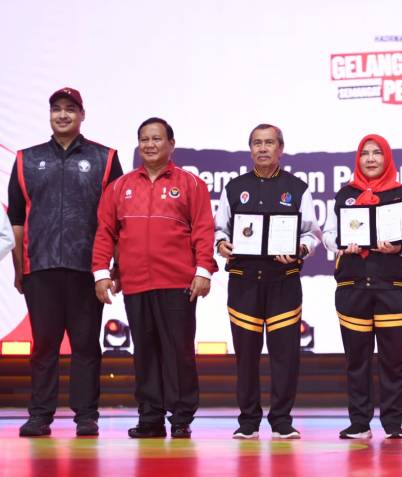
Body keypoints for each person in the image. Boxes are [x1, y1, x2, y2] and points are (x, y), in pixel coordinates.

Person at [7, 87, 122, 437]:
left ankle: (86, 415)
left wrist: (113, 267)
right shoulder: (27, 160)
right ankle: (40, 415)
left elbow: (117, 219)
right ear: (49, 115)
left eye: (70, 109)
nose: (62, 115)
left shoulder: (105, 158)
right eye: (56, 109)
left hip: (87, 269)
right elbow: (16, 221)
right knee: (44, 346)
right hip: (40, 267)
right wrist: (19, 268)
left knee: (86, 344)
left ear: (82, 115)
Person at [92, 117, 217, 439]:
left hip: (178, 283)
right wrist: (101, 273)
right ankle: (150, 418)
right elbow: (105, 232)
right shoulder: (120, 186)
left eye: (156, 138)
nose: (150, 145)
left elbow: (204, 230)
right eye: (144, 139)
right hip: (135, 283)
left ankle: (181, 418)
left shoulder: (191, 184)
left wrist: (204, 271)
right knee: (145, 353)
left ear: (171, 144)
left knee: (178, 353)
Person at [215, 124, 321, 440]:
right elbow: (220, 229)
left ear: (280, 149)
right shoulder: (234, 188)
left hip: (283, 282)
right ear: (250, 149)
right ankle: (248, 421)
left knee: (285, 357)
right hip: (243, 283)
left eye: (269, 143)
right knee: (245, 357)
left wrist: (301, 249)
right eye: (257, 143)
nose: (263, 148)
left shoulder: (297, 188)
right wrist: (221, 244)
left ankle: (281, 421)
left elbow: (312, 233)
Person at [322, 134, 402, 439]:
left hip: (393, 288)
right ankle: (359, 423)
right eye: (365, 153)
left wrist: (400, 247)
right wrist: (342, 243)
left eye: (377, 153)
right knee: (356, 360)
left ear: (387, 158)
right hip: (352, 287)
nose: (370, 159)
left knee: (393, 360)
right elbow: (328, 235)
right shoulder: (344, 195)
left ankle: (393, 424)